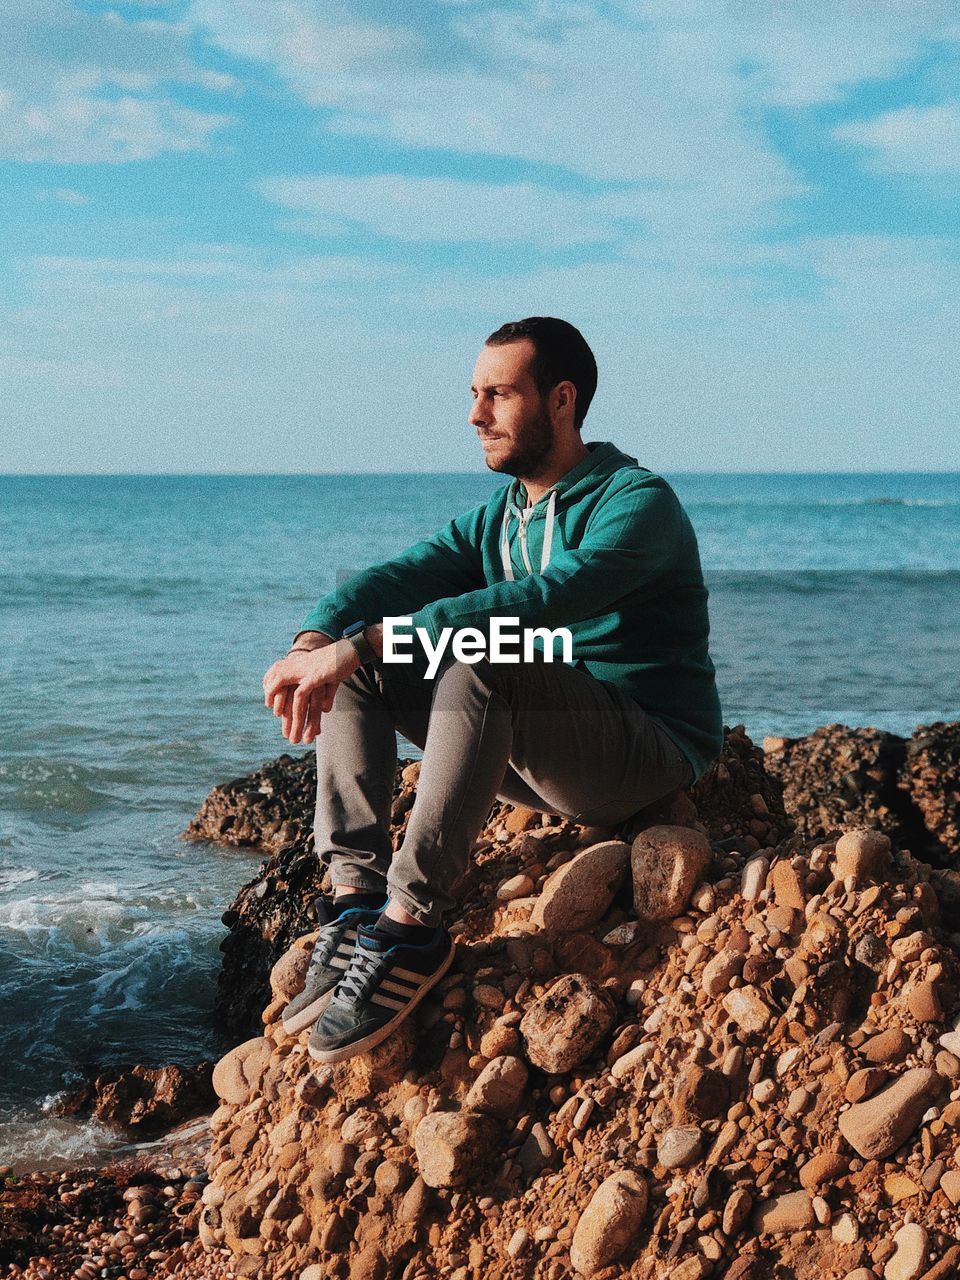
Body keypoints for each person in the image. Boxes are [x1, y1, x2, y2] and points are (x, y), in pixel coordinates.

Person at [262, 316, 723, 1065]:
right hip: (546, 745)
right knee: (362, 663)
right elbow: (396, 576)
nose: (475, 415)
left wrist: (368, 638)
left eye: (498, 394)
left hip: (646, 748)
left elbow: (551, 596)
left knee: (475, 655)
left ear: (562, 400)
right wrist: (317, 641)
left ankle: (410, 927)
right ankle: (354, 904)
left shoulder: (637, 502)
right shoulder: (502, 518)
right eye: (474, 394)